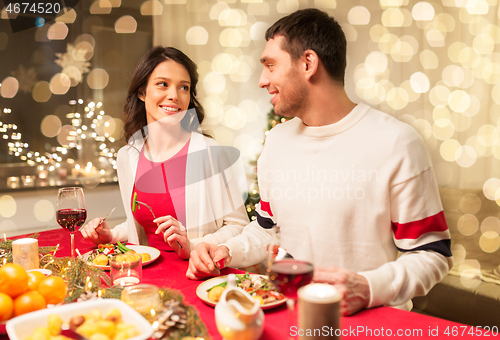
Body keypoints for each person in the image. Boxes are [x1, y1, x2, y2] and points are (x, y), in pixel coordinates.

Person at [186, 9, 453, 316]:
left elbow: (432, 253)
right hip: (291, 319)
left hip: (371, 324)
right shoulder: (277, 141)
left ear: (308, 64)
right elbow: (267, 229)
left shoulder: (397, 143)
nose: (263, 81)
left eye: (270, 65)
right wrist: (226, 251)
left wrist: (368, 287)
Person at [81, 47, 249, 259]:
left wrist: (192, 245)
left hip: (195, 275)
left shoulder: (210, 153)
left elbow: (238, 226)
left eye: (184, 87)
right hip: (145, 276)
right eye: (163, 84)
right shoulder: (128, 156)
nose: (174, 95)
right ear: (142, 92)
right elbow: (145, 227)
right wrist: (111, 235)